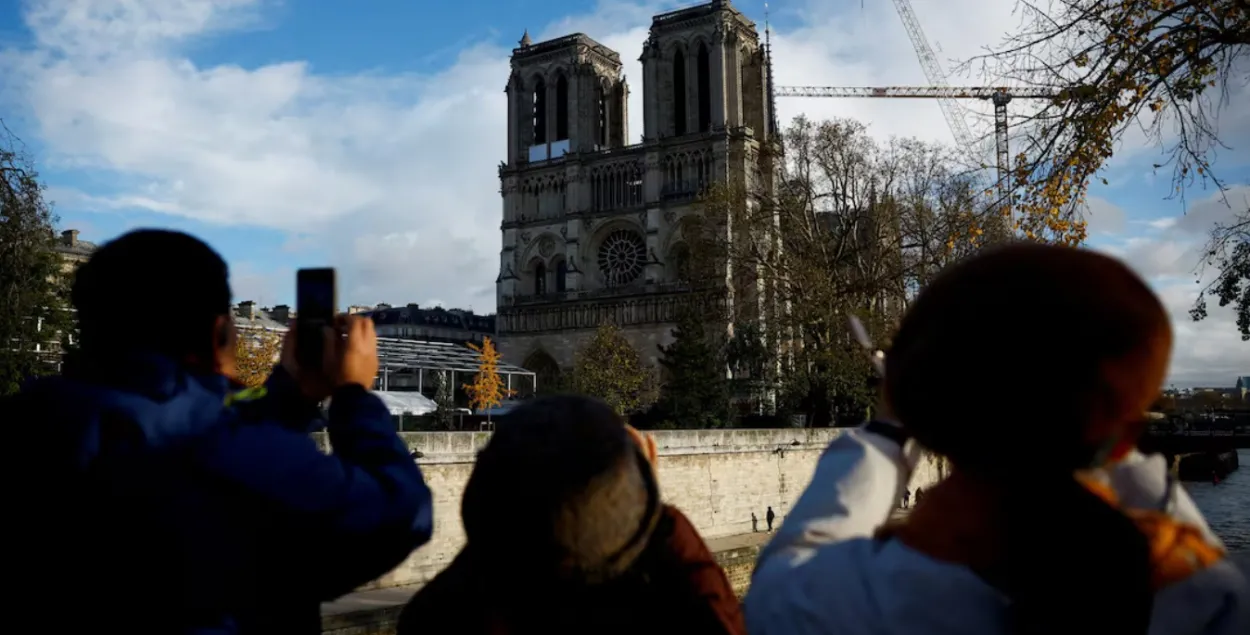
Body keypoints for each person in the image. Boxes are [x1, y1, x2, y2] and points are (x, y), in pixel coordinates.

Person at [744, 244, 1248, 635]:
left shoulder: (830, 604)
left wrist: (888, 429)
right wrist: (1106, 425)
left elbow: (793, 557)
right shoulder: (1200, 593)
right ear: (1122, 432)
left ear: (926, 413)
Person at [6, 229, 434, 634]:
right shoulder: (219, 455)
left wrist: (291, 394)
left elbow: (199, 423)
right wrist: (353, 394)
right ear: (220, 334)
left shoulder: (36, 422)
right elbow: (400, 510)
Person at [396, 394, 745, 635]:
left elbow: (445, 602)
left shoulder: (439, 617)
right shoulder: (651, 613)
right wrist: (649, 509)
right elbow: (713, 616)